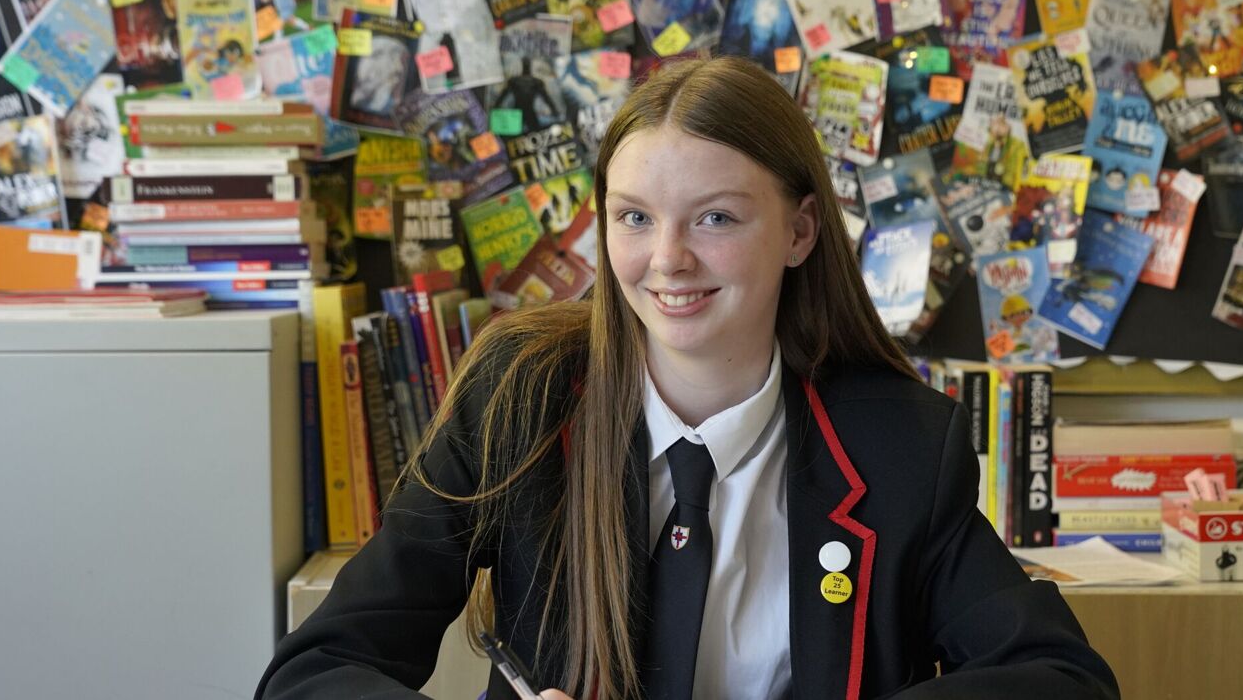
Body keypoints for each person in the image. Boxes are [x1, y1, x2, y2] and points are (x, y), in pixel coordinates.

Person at [257, 57, 1115, 700]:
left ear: (800, 232)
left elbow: (1060, 677)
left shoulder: (900, 444)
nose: (667, 259)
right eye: (634, 217)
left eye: (715, 218)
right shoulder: (519, 400)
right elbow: (315, 671)